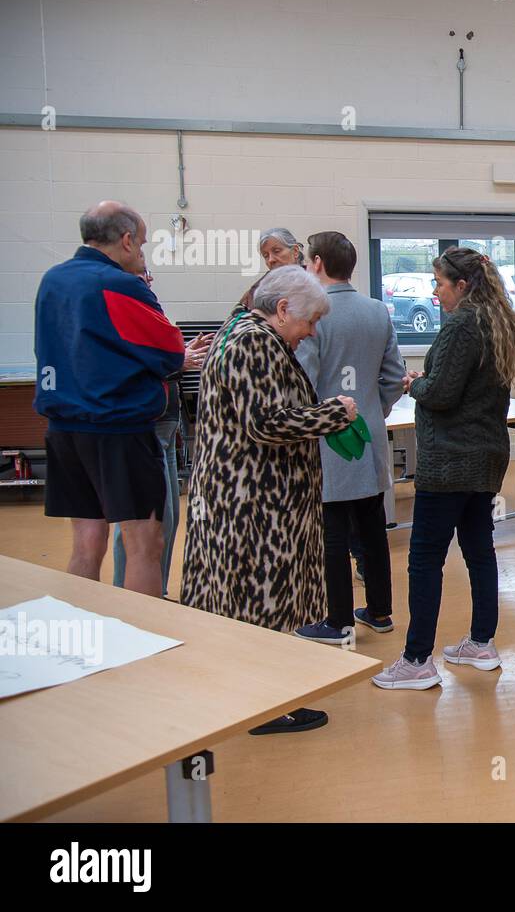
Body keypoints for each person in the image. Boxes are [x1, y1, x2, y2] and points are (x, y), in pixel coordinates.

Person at [183, 265, 357, 734]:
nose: (310, 332)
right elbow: (265, 422)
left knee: (245, 603)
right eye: (308, 321)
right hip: (253, 504)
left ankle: (252, 695)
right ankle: (260, 705)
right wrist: (331, 414)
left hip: (245, 498)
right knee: (256, 603)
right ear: (282, 310)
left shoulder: (242, 331)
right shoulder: (253, 342)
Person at [372, 247, 515, 689]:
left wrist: (413, 382)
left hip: (451, 460)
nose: (434, 291)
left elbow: (441, 393)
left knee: (424, 558)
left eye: (440, 283)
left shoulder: (462, 325)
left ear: (463, 286)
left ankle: (417, 659)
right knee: (479, 548)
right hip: (485, 457)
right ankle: (481, 642)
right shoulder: (499, 322)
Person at [34, 201, 186, 598]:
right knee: (144, 545)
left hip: (64, 428)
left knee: (87, 541)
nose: (142, 253)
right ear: (125, 240)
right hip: (118, 429)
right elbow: (170, 352)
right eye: (142, 244)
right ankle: (141, 640)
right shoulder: (119, 285)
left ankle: (82, 631)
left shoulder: (53, 280)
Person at [292, 232, 406, 645]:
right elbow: (394, 376)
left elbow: (302, 380)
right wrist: (376, 411)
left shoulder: (313, 315)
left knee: (333, 532)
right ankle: (379, 611)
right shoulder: (378, 311)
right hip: (370, 431)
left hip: (328, 434)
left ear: (318, 263)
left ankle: (338, 619)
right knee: (373, 526)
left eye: (307, 260)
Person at [110, 267, 212, 595]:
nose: (149, 279)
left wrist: (180, 354)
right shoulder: (120, 311)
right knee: (140, 525)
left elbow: (159, 357)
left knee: (168, 520)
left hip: (167, 424)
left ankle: (158, 592)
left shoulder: (150, 310)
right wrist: (177, 361)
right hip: (145, 428)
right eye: (142, 273)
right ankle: (127, 596)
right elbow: (134, 365)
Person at [238, 227, 305, 310]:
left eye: (277, 251)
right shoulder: (258, 289)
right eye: (266, 256)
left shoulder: (314, 282)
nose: (271, 260)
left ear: (295, 251)